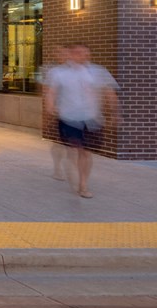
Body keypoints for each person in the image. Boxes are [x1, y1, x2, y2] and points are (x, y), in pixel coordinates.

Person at [43, 44, 119, 199]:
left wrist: (115, 112)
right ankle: (73, 172)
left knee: (85, 152)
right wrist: (50, 106)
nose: (81, 55)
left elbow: (109, 92)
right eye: (77, 52)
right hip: (68, 118)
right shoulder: (58, 73)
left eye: (85, 53)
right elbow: (51, 92)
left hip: (91, 119)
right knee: (73, 151)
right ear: (70, 54)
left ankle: (83, 184)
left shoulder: (98, 72)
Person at [39, 44, 71, 181]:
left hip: (74, 111)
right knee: (58, 141)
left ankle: (72, 170)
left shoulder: (76, 69)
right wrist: (48, 111)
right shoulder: (48, 69)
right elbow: (44, 90)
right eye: (58, 52)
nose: (61, 55)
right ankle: (58, 168)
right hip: (56, 110)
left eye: (64, 52)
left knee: (73, 144)